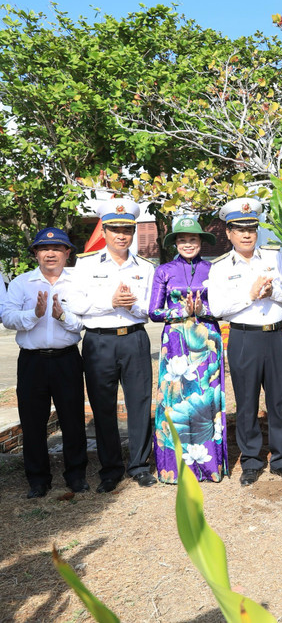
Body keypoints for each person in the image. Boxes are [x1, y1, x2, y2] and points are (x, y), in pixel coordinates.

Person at [207, 198, 282, 486]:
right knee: (246, 403)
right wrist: (249, 295)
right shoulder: (221, 266)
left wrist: (273, 292)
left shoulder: (274, 257)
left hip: (275, 336)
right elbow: (218, 308)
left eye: (252, 227)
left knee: (278, 401)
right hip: (244, 337)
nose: (247, 234)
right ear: (228, 233)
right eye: (239, 229)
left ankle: (281, 460)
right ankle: (250, 461)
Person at [69, 200, 156, 493]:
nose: (121, 235)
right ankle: (110, 469)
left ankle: (140, 465)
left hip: (134, 338)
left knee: (140, 403)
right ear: (104, 231)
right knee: (103, 407)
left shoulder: (145, 267)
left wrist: (132, 306)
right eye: (115, 229)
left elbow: (151, 309)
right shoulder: (85, 264)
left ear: (133, 232)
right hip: (99, 342)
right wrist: (110, 302)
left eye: (127, 230)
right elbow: (77, 305)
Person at [2, 228, 87, 498]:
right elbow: (7, 317)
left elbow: (85, 322)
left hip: (67, 360)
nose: (51, 254)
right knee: (33, 422)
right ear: (36, 254)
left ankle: (76, 476)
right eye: (44, 249)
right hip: (32, 362)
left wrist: (62, 317)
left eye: (58, 249)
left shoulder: (78, 282)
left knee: (73, 420)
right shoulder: (21, 283)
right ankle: (38, 480)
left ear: (67, 253)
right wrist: (35, 314)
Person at [149, 217, 227, 483]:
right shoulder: (164, 271)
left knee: (207, 398)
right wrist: (179, 311)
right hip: (175, 342)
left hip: (208, 341)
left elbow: (226, 306)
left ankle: (209, 466)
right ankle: (175, 468)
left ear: (201, 242)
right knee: (176, 399)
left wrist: (203, 311)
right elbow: (153, 311)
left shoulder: (214, 270)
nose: (187, 244)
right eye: (182, 240)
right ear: (176, 243)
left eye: (192, 239)